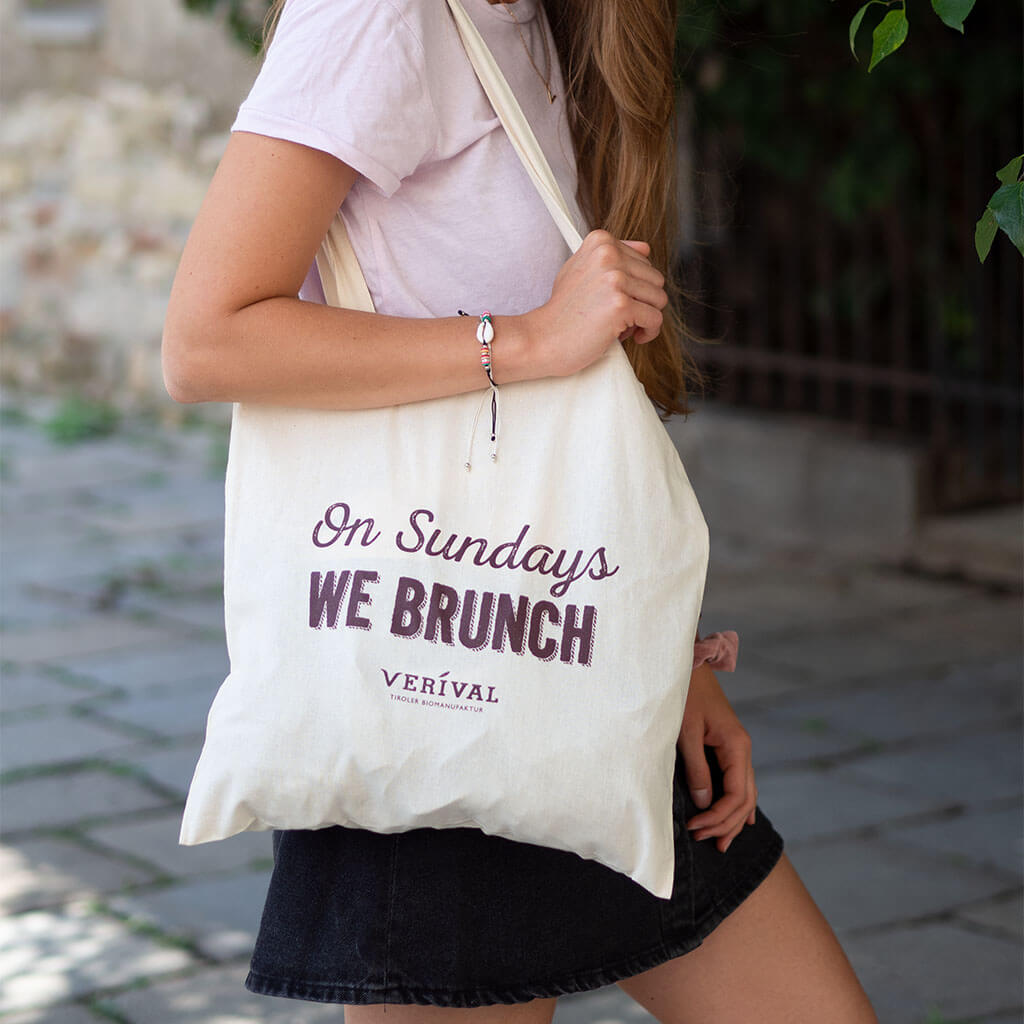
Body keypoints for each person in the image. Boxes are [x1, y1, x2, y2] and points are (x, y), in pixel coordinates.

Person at [162, 0, 879, 1020]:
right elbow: (207, 340)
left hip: (565, 672)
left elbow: (560, 440)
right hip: (426, 711)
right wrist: (531, 338)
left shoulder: (543, 24)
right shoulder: (380, 16)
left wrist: (657, 651)